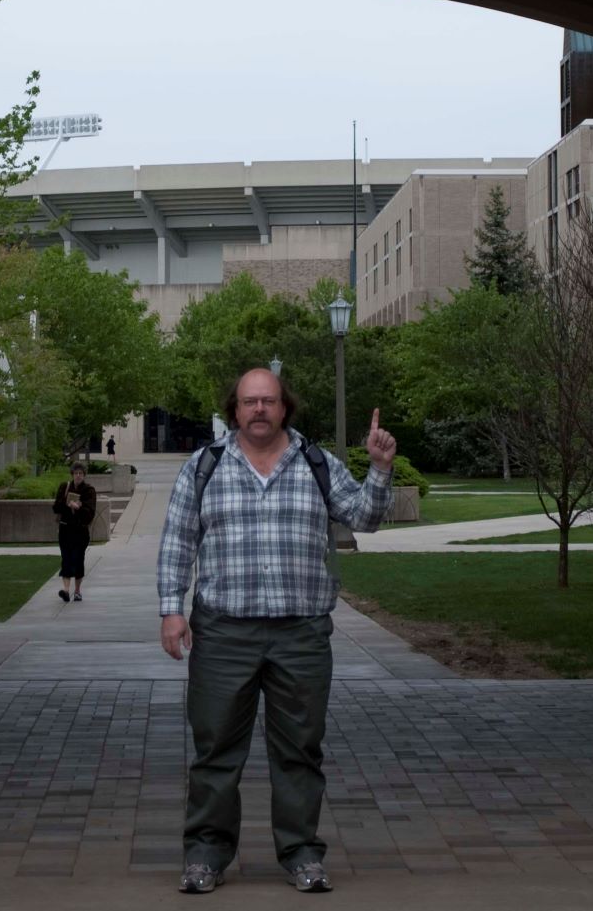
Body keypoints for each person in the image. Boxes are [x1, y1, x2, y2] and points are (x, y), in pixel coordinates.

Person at [157, 367, 396, 896]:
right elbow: (177, 540)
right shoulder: (205, 466)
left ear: (284, 407)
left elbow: (363, 517)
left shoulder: (316, 464)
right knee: (216, 750)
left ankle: (302, 854)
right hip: (223, 633)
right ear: (234, 410)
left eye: (268, 400)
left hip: (301, 634)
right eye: (249, 402)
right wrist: (172, 610)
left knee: (300, 751)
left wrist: (379, 469)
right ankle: (206, 855)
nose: (259, 409)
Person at [52, 464, 97, 602]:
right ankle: (66, 590)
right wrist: (67, 504)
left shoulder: (89, 490)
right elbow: (55, 507)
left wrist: (79, 507)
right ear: (72, 474)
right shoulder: (64, 487)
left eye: (80, 473)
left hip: (80, 530)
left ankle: (77, 591)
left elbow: (90, 513)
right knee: (66, 559)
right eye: (75, 473)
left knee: (78, 559)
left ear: (84, 475)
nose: (78, 475)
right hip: (65, 530)